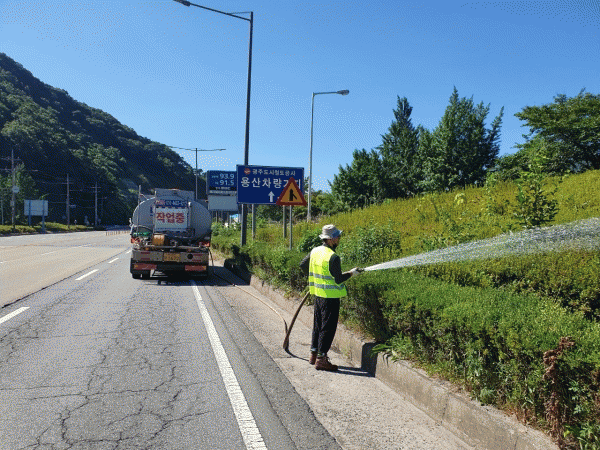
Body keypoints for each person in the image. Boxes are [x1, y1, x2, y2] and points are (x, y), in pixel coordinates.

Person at [300, 224, 361, 371]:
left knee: (318, 325)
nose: (339, 238)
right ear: (331, 239)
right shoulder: (333, 257)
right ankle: (321, 359)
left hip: (318, 295)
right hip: (330, 298)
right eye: (337, 236)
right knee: (328, 328)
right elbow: (338, 279)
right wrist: (352, 273)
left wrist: (316, 278)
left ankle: (313, 354)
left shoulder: (315, 251)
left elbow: (303, 265)